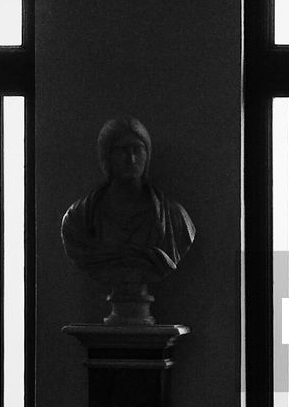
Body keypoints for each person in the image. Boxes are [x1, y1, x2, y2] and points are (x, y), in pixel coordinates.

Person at [61, 116, 196, 321]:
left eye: (137, 149)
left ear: (147, 154)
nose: (131, 159)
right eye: (121, 151)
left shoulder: (175, 219)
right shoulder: (77, 220)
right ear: (107, 157)